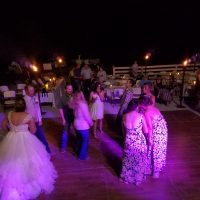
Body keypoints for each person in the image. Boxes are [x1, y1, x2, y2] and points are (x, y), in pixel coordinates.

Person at [0, 98, 57, 200]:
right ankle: (26, 185)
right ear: (24, 106)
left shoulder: (9, 114)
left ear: (15, 106)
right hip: (25, 138)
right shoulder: (28, 116)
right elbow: (34, 131)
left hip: (11, 137)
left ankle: (13, 185)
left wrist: (10, 130)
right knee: (29, 162)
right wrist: (26, 132)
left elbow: (3, 125)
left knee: (10, 162)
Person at [139, 95, 168, 179]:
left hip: (157, 132)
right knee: (159, 150)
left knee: (154, 150)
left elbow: (150, 128)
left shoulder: (147, 112)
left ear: (142, 104)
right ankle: (154, 169)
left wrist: (149, 139)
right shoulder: (154, 108)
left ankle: (155, 172)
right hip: (163, 130)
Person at [120, 99, 149, 185]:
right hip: (138, 142)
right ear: (136, 107)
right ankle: (137, 179)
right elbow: (146, 131)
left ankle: (127, 178)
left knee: (128, 160)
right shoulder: (140, 116)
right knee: (138, 161)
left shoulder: (124, 116)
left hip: (128, 141)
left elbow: (124, 132)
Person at [24, 84, 51, 153]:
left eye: (33, 90)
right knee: (33, 139)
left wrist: (40, 119)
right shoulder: (24, 100)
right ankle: (36, 153)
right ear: (26, 91)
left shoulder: (35, 97)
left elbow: (38, 109)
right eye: (30, 91)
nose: (32, 92)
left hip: (37, 121)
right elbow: (24, 112)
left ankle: (48, 152)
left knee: (42, 137)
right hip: (29, 123)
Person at [69, 91, 93, 160]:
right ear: (81, 96)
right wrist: (91, 123)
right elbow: (87, 116)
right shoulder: (83, 105)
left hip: (76, 124)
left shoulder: (74, 104)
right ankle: (82, 156)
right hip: (83, 126)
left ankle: (76, 152)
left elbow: (74, 114)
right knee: (85, 140)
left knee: (79, 139)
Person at [56, 83, 74, 153]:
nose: (70, 90)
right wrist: (63, 119)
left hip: (74, 117)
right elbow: (60, 109)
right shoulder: (62, 98)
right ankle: (63, 148)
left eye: (71, 89)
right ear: (65, 89)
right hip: (66, 117)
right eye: (69, 89)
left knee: (77, 131)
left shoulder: (74, 96)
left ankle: (77, 146)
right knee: (65, 132)